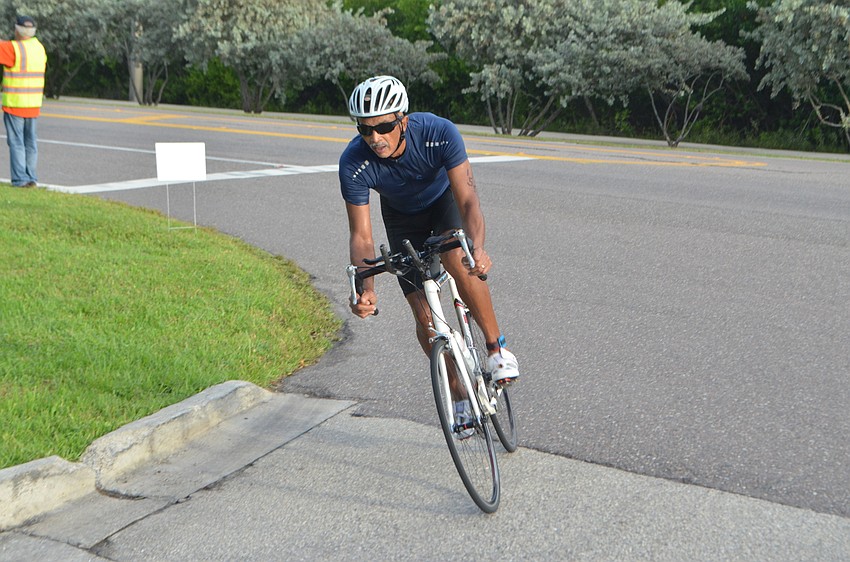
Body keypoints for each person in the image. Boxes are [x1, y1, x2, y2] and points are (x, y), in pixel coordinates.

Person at [339, 75, 520, 394]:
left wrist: (477, 248)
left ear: (403, 121)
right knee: (424, 318)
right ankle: (459, 395)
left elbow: (468, 200)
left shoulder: (439, 133)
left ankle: (496, 349)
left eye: (383, 127)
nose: (375, 138)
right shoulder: (353, 162)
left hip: (443, 204)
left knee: (455, 255)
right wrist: (365, 288)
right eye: (365, 129)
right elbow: (361, 237)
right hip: (401, 219)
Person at [0, 15, 46, 188]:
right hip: (33, 105)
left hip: (16, 104)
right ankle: (31, 177)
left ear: (17, 30)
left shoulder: (13, 49)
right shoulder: (39, 48)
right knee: (30, 143)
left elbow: (6, 49)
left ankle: (20, 179)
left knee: (16, 143)